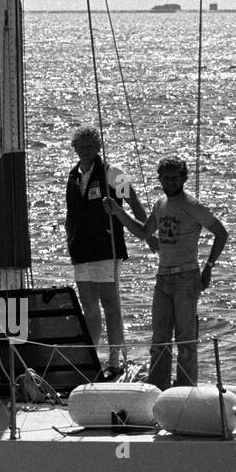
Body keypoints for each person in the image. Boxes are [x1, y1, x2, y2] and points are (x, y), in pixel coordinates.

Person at [107, 155, 228, 388]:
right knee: (159, 342)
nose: (171, 182)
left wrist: (209, 267)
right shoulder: (160, 204)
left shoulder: (193, 205)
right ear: (160, 179)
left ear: (183, 178)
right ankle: (158, 390)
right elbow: (143, 233)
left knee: (186, 341)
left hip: (186, 277)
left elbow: (221, 233)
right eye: (166, 178)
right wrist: (117, 212)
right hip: (162, 278)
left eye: (175, 178)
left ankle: (185, 392)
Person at [64, 124, 155, 375]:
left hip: (107, 248)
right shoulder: (73, 175)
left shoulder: (114, 173)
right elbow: (71, 214)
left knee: (111, 305)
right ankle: (92, 356)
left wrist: (148, 235)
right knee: (88, 306)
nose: (85, 150)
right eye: (80, 146)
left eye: (90, 146)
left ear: (98, 147)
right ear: (74, 148)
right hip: (81, 251)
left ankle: (115, 359)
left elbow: (136, 205)